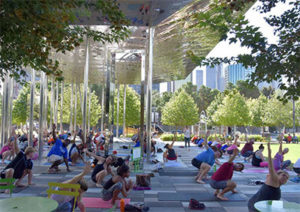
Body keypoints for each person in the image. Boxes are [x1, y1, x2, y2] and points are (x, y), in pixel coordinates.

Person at [248, 141, 289, 211]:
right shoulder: (273, 181)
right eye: (283, 175)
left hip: (257, 205)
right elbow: (271, 168)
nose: (285, 178)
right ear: (277, 175)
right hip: (256, 207)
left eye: (287, 177)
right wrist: (269, 153)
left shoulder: (276, 185)